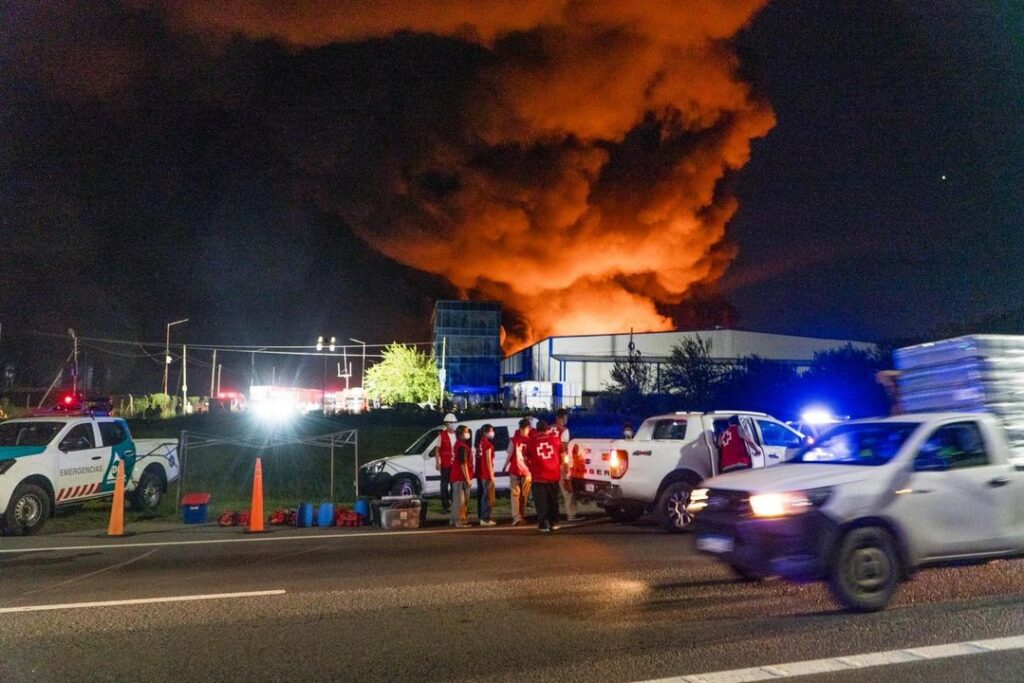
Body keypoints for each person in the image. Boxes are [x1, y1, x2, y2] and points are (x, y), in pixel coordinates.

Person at [527, 419, 562, 532]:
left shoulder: (532, 441)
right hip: (553, 474)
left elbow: (527, 458)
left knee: (541, 501)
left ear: (537, 430)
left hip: (539, 476)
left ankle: (543, 524)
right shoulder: (555, 440)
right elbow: (561, 454)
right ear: (547, 429)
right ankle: (554, 522)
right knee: (553, 500)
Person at [503, 418, 533, 525]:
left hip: (514, 470)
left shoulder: (513, 440)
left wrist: (505, 466)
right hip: (526, 471)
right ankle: (521, 515)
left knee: (515, 494)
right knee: (524, 495)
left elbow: (509, 454)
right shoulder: (530, 440)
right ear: (527, 428)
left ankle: (516, 517)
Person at [552, 408, 578, 522]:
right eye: (565, 418)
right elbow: (564, 448)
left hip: (549, 463)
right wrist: (566, 464)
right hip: (560, 463)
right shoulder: (564, 431)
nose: (567, 420)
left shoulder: (548, 428)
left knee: (552, 491)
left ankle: (553, 514)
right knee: (567, 490)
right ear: (561, 418)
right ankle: (571, 515)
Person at [450, 425, 475, 527]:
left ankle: (453, 519)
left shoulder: (458, 444)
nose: (468, 433)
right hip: (460, 477)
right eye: (466, 431)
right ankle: (459, 521)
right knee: (461, 500)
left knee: (457, 499)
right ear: (460, 434)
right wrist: (468, 479)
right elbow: (463, 464)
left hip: (457, 476)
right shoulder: (462, 447)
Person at [434, 413, 458, 513]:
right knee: (444, 485)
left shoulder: (457, 434)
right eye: (452, 423)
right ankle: (445, 505)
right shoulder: (442, 435)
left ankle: (454, 504)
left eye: (454, 423)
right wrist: (437, 462)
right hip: (445, 464)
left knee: (454, 485)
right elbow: (437, 450)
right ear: (447, 424)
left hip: (455, 464)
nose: (454, 425)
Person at [475, 424, 497, 526]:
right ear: (485, 432)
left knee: (485, 496)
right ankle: (485, 518)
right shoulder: (487, 444)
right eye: (491, 431)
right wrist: (492, 475)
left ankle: (485, 517)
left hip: (483, 473)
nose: (492, 433)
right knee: (487, 497)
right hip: (487, 474)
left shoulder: (481, 442)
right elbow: (488, 460)